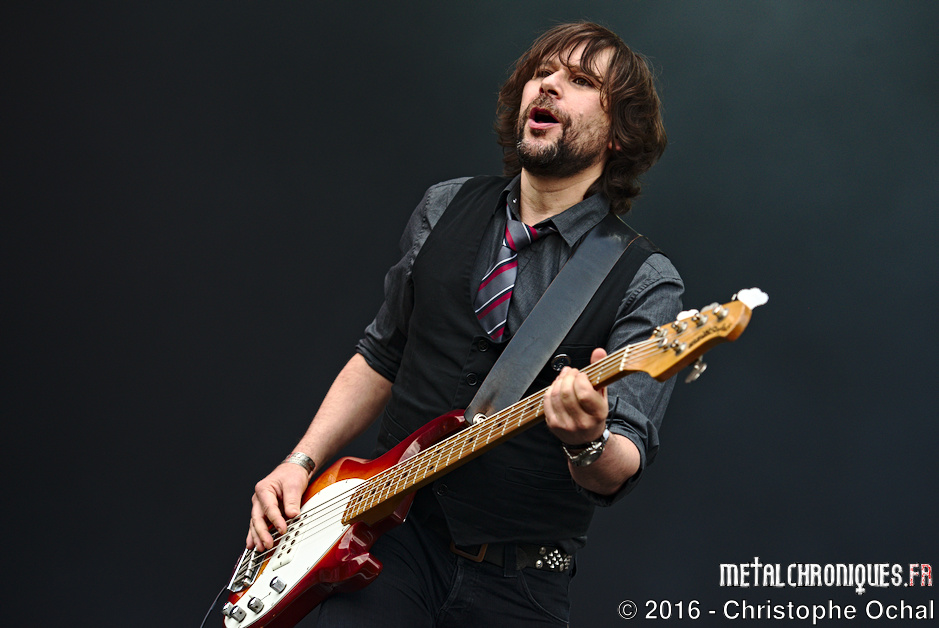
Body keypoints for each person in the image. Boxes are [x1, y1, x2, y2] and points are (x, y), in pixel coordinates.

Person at [246, 21, 683, 626]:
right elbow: (381, 355)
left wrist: (587, 440)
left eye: (581, 81)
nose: (549, 86)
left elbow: (620, 464)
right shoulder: (443, 205)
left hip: (520, 584)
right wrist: (299, 463)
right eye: (542, 73)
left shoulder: (644, 279)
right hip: (388, 543)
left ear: (618, 134)